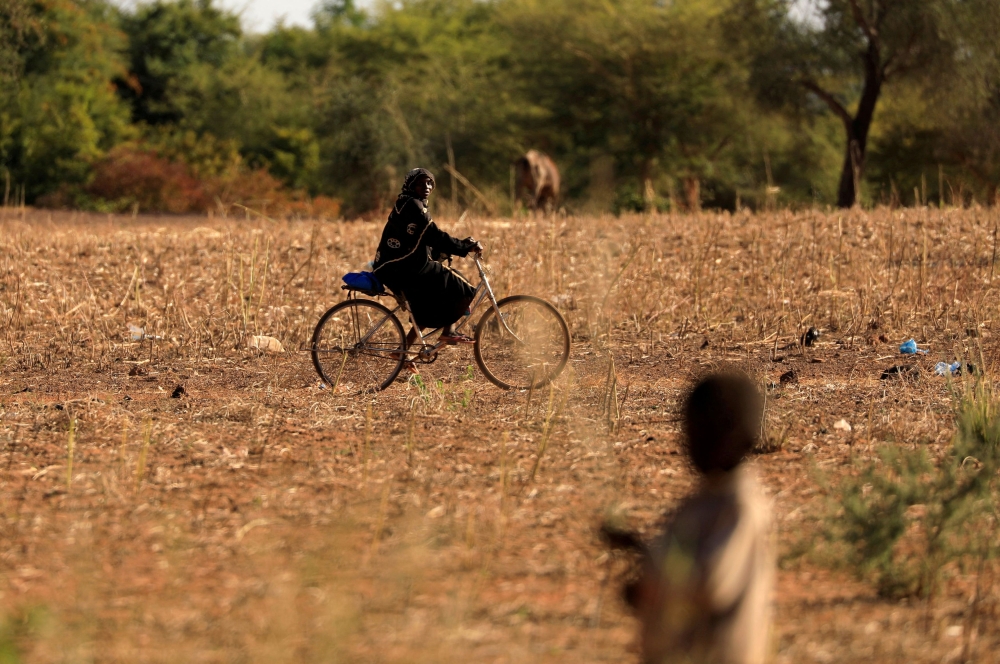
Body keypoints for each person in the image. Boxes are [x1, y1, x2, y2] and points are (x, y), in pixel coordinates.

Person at [605, 372, 774, 664]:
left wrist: (653, 584)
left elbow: (710, 583)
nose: (689, 445)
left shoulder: (741, 507)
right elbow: (683, 559)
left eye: (699, 435)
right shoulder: (704, 500)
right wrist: (639, 549)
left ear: (737, 438)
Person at [372, 168, 481, 348]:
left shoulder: (405, 202)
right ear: (411, 184)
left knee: (429, 302)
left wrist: (449, 249)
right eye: (421, 183)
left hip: (392, 267)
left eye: (430, 183)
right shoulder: (414, 206)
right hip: (403, 268)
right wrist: (464, 246)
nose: (427, 186)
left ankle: (403, 351)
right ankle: (448, 332)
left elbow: (419, 238)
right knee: (463, 285)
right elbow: (434, 235)